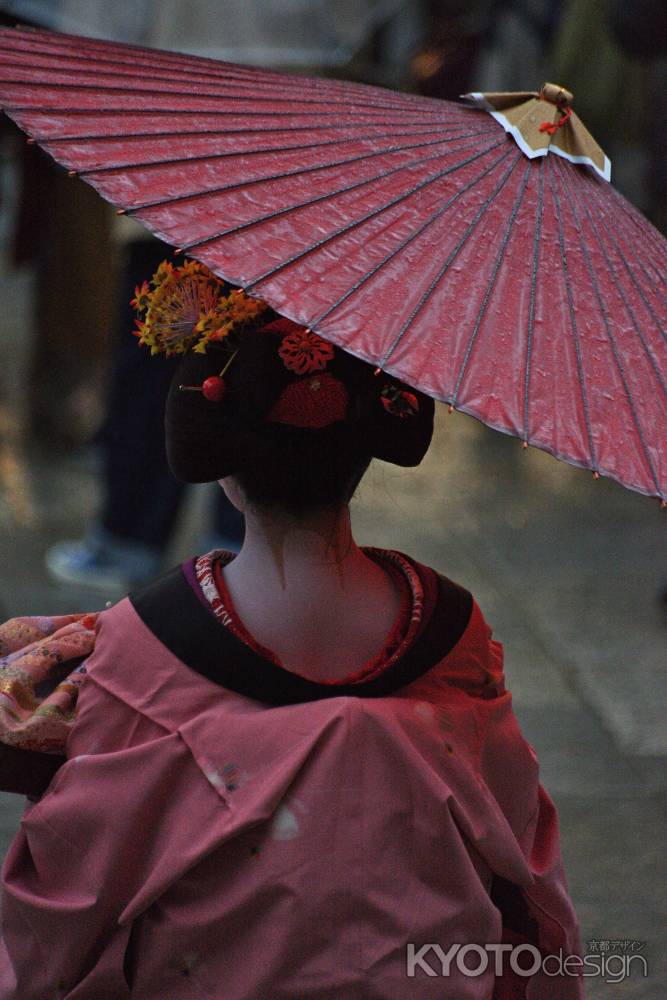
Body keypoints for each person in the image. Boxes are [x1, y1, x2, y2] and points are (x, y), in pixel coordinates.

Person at [0, 262, 583, 998]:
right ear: (364, 456)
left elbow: (70, 897)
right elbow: (520, 860)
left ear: (222, 470)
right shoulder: (450, 631)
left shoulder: (143, 648)